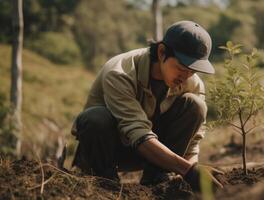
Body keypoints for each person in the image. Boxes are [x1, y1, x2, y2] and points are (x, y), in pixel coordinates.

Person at [71, 20, 223, 191]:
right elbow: (137, 133)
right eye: (181, 67)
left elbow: (193, 142)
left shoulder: (192, 84)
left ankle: (157, 180)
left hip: (153, 155)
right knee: (95, 118)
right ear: (162, 52)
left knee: (196, 105)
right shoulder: (120, 72)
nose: (186, 76)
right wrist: (188, 171)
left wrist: (193, 174)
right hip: (108, 150)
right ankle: (104, 183)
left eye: (193, 71)